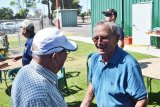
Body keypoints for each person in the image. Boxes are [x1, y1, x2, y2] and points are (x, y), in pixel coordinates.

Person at [80, 21, 148, 107]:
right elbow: (92, 85)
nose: (99, 42)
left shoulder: (129, 64)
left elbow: (142, 100)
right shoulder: (94, 59)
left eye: (104, 37)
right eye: (96, 38)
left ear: (116, 38)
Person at [11, 28, 78, 107]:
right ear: (55, 57)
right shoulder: (41, 98)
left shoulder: (24, 70)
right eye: (66, 52)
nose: (67, 55)